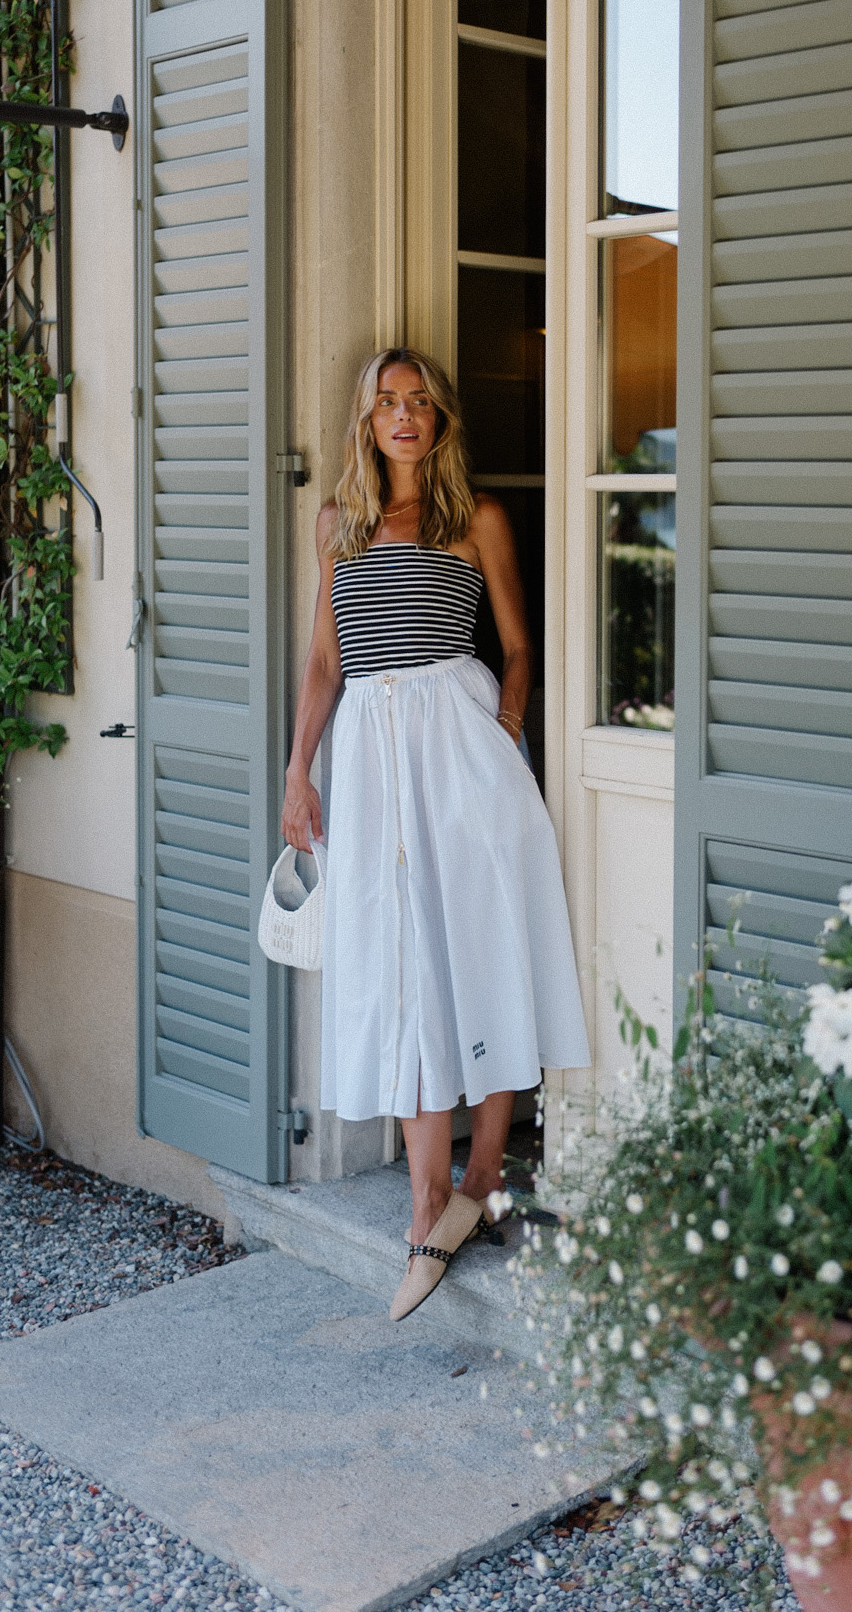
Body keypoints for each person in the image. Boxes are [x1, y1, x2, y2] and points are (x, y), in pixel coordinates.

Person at [281, 347, 590, 1320]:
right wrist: (299, 767)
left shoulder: (475, 521)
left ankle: (480, 1183)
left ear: (440, 419)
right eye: (387, 404)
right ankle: (427, 1201)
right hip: (371, 768)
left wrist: (501, 742)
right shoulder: (339, 525)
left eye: (420, 403)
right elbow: (329, 662)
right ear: (365, 423)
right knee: (404, 969)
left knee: (483, 956)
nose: (405, 417)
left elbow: (518, 646)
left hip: (463, 760)